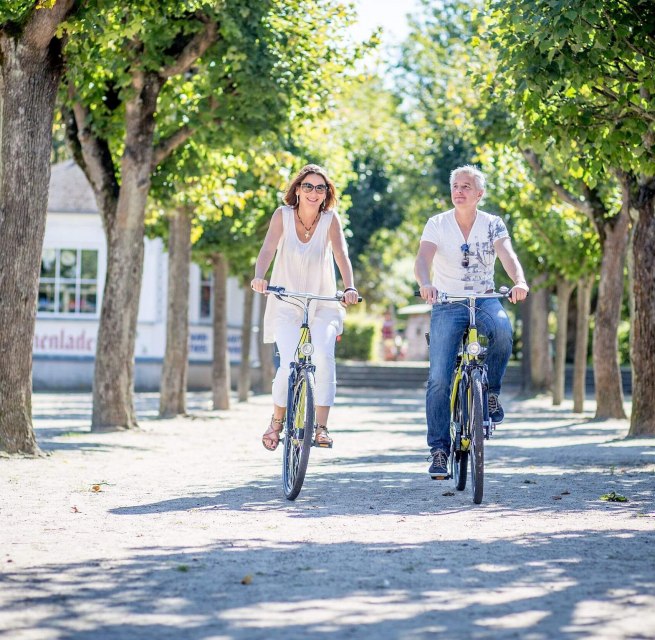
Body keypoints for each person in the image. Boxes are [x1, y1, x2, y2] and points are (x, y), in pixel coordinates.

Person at [414, 165, 529, 479]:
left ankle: (490, 392)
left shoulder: (492, 224)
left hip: (485, 298)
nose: (459, 191)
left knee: (504, 331)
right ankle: (439, 450)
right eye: (455, 186)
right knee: (438, 378)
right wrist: (426, 283)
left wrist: (519, 281)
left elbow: (507, 255)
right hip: (447, 302)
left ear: (480, 194)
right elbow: (422, 259)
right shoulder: (437, 224)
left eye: (467, 186)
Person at [251, 164, 359, 451]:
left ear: (326, 195)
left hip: (322, 303)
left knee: (323, 356)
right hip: (286, 302)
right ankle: (276, 422)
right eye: (308, 186)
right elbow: (268, 249)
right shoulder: (282, 216)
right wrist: (260, 277)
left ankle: (321, 427)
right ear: (297, 189)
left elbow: (341, 255)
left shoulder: (330, 219)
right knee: (288, 363)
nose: (313, 192)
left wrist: (349, 287)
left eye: (320, 188)